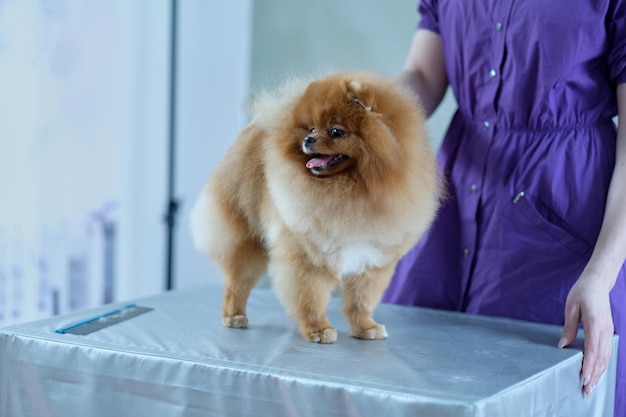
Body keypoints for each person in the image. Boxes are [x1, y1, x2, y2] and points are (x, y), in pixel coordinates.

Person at [382, 1, 626, 415]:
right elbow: (424, 75)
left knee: (540, 391)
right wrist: (359, 115)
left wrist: (600, 276)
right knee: (415, 378)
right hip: (453, 210)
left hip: (565, 222)